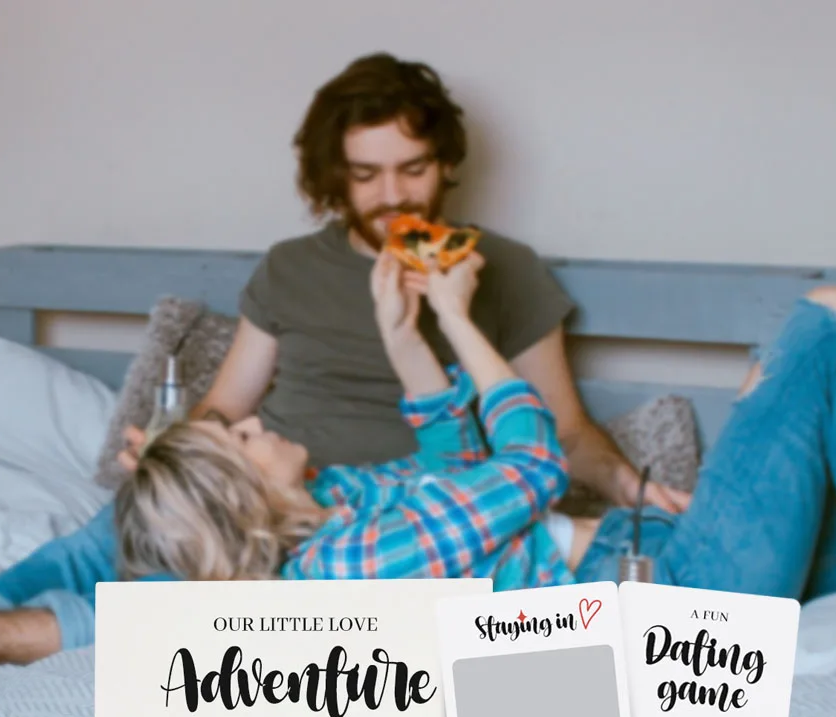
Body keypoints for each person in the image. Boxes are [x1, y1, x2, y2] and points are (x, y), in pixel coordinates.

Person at [0, 278, 836, 689]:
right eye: (245, 439)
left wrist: (408, 340)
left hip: (654, 555)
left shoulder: (338, 504)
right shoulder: (353, 564)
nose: (260, 423)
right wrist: (467, 325)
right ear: (242, 500)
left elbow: (455, 470)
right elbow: (532, 466)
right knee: (834, 315)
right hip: (684, 594)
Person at [116, 52, 686, 516]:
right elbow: (224, 406)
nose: (393, 197)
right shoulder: (288, 267)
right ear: (337, 178)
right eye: (366, 175)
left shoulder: (504, 268)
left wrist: (629, 487)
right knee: (119, 535)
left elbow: (566, 432)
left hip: (414, 513)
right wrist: (173, 453)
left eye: (413, 170)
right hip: (275, 501)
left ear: (445, 164)